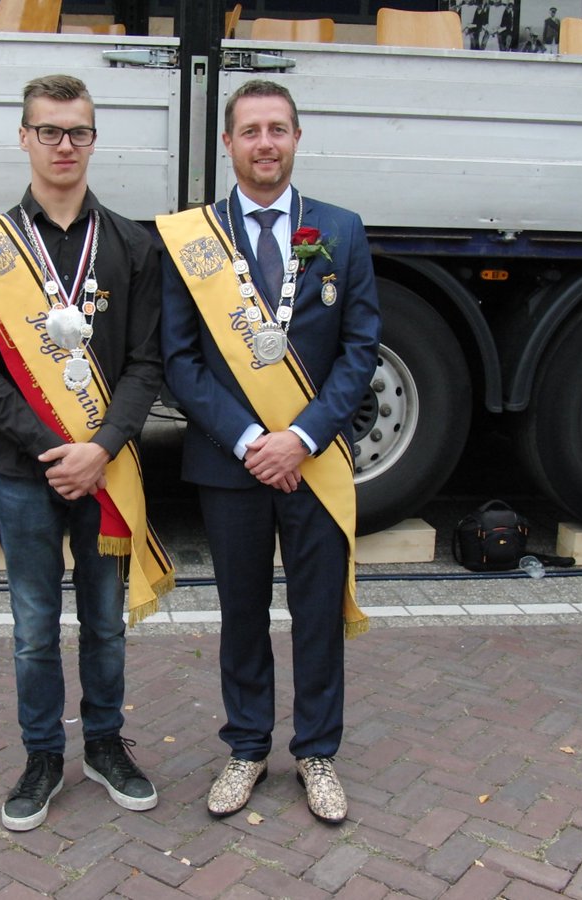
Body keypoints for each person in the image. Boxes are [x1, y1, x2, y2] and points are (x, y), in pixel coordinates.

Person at [0, 74, 174, 831]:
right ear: (24, 138)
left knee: (105, 622)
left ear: (93, 139)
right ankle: (43, 755)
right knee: (33, 626)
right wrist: (60, 451)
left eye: (77, 131)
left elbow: (148, 365)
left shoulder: (134, 245)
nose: (64, 145)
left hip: (107, 473)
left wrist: (102, 447)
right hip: (27, 474)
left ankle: (105, 745)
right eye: (49, 131)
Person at [158, 79, 380, 824]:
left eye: (277, 129)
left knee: (316, 612)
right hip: (232, 463)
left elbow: (359, 347)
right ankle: (247, 747)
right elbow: (180, 360)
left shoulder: (341, 231)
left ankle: (316, 751)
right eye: (250, 130)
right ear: (227, 143)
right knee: (242, 611)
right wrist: (255, 441)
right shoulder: (195, 240)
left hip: (313, 459)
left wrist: (303, 436)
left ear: (296, 138)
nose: (264, 143)